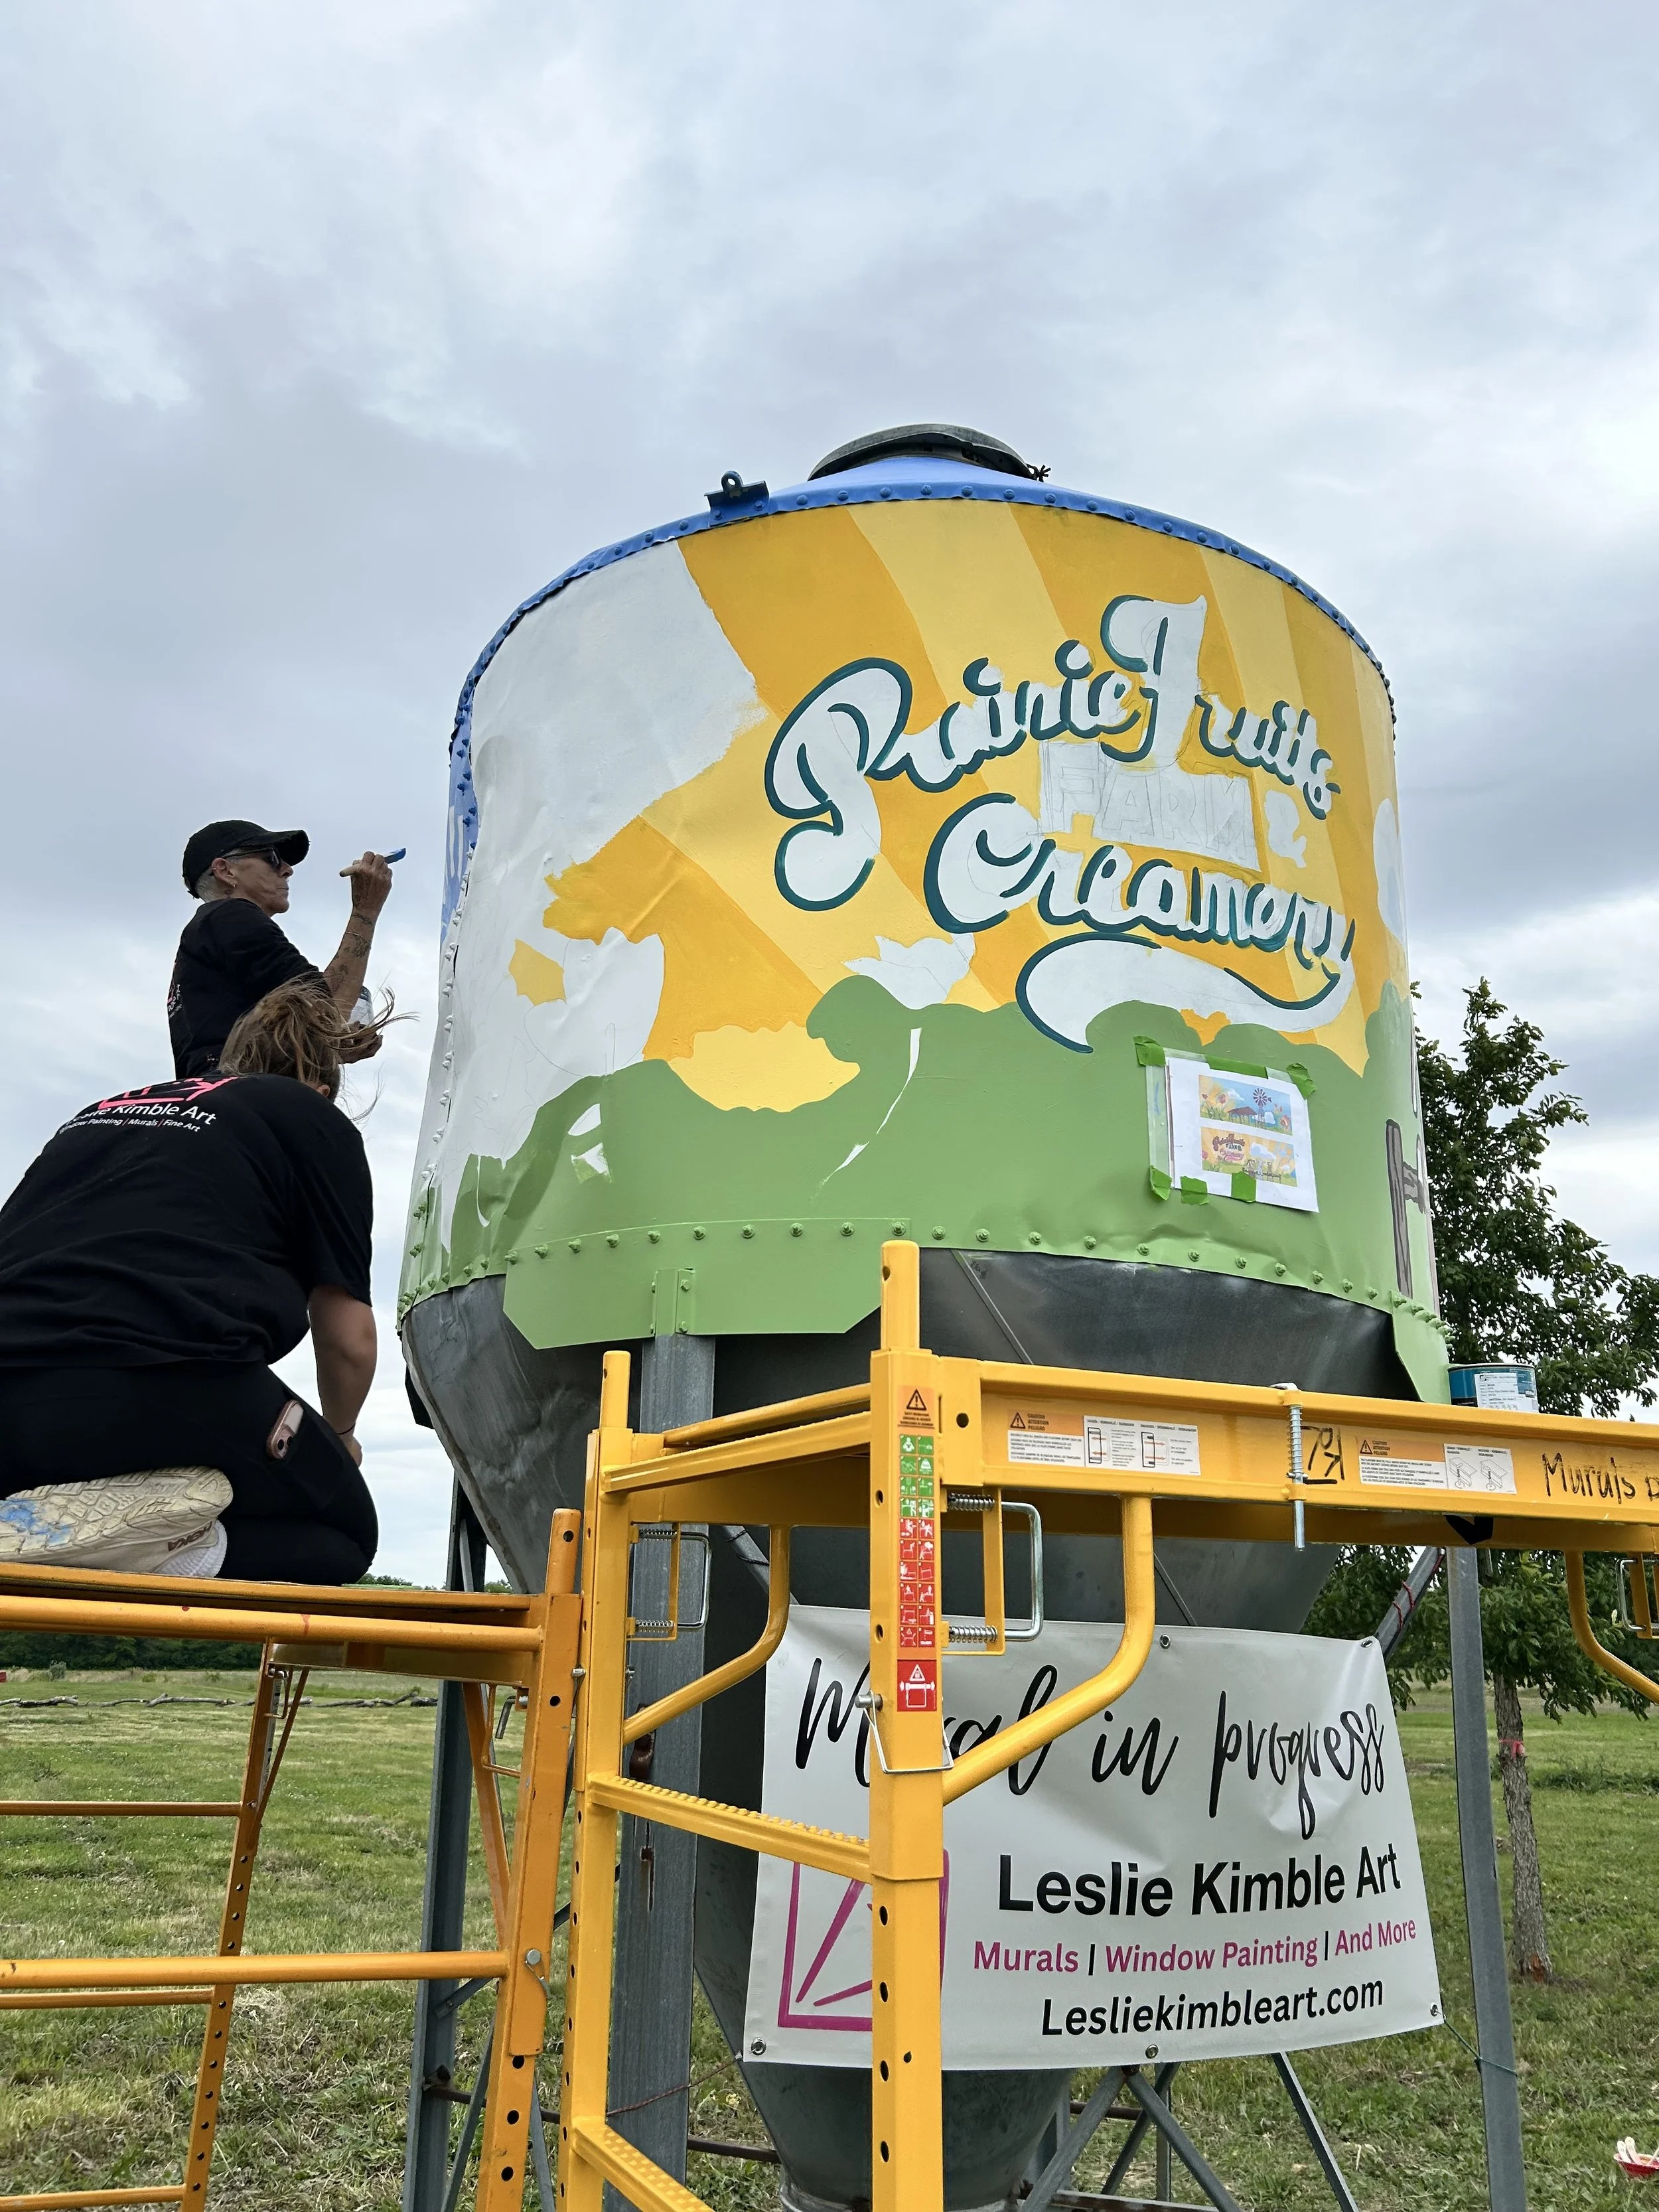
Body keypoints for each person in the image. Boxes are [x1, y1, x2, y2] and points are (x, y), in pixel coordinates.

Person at [0, 982, 384, 1583]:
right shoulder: (309, 1116)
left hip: (9, 1402)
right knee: (344, 1531)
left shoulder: (103, 1109)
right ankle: (156, 1549)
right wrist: (340, 1440)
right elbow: (347, 1337)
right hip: (164, 1377)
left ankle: (50, 1526)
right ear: (322, 1087)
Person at [168, 818, 394, 1078]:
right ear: (226, 871)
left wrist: (330, 1046)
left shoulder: (208, 934)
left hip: (216, 1099)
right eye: (273, 858)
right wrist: (366, 910)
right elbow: (329, 1007)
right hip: (244, 1096)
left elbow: (292, 1030)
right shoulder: (230, 915)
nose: (287, 870)